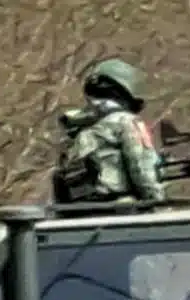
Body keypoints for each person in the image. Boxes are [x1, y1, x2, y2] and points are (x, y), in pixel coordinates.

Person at [52, 58, 165, 204]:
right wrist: (157, 202)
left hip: (79, 214)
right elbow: (143, 172)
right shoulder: (126, 122)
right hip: (120, 212)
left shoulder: (75, 128)